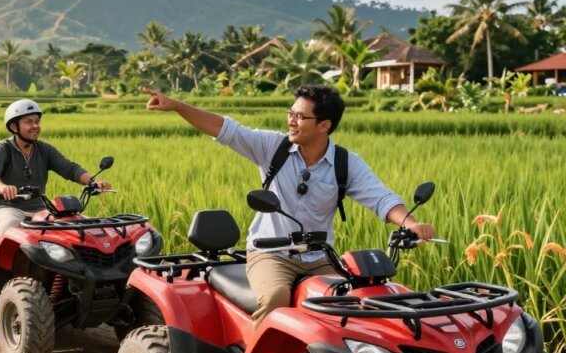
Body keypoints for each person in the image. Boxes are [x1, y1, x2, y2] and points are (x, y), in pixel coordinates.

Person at [141, 84, 436, 329]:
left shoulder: (346, 163)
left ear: (324, 126)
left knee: (350, 302)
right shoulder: (273, 148)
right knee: (276, 298)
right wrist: (177, 105)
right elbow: (224, 129)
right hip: (271, 254)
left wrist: (409, 224)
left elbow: (381, 198)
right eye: (290, 113)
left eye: (300, 116)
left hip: (320, 257)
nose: (291, 121)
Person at [0, 99, 111, 236]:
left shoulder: (44, 149)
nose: (35, 125)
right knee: (12, 233)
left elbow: (70, 169)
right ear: (14, 127)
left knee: (71, 233)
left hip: (40, 208)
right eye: (28, 122)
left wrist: (92, 182)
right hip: (7, 208)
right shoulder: (2, 149)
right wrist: (2, 187)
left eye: (37, 121)